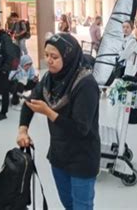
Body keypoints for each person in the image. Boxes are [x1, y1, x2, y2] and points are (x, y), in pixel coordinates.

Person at [16, 33, 100, 210]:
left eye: (54, 57)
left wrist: (48, 112)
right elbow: (29, 103)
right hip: (59, 155)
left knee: (82, 206)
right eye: (46, 55)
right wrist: (23, 130)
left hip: (82, 158)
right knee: (68, 204)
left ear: (68, 57)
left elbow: (80, 129)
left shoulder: (85, 84)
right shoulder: (49, 79)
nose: (49, 61)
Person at [119, 20, 137, 124]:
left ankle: (133, 118)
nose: (125, 29)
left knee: (132, 95)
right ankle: (130, 117)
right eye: (123, 27)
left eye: (127, 27)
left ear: (132, 28)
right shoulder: (125, 40)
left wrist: (118, 55)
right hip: (129, 70)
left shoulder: (132, 40)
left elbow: (124, 55)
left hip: (132, 71)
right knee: (130, 94)